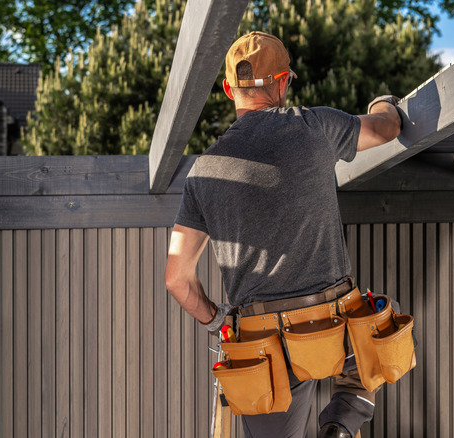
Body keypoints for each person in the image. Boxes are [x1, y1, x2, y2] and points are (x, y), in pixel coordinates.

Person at [164, 31, 402, 438]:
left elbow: (176, 279)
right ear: (283, 81)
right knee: (381, 315)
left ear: (227, 89)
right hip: (334, 327)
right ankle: (342, 424)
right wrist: (384, 104)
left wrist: (218, 320)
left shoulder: (202, 171)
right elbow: (386, 128)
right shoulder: (316, 126)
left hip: (262, 348)